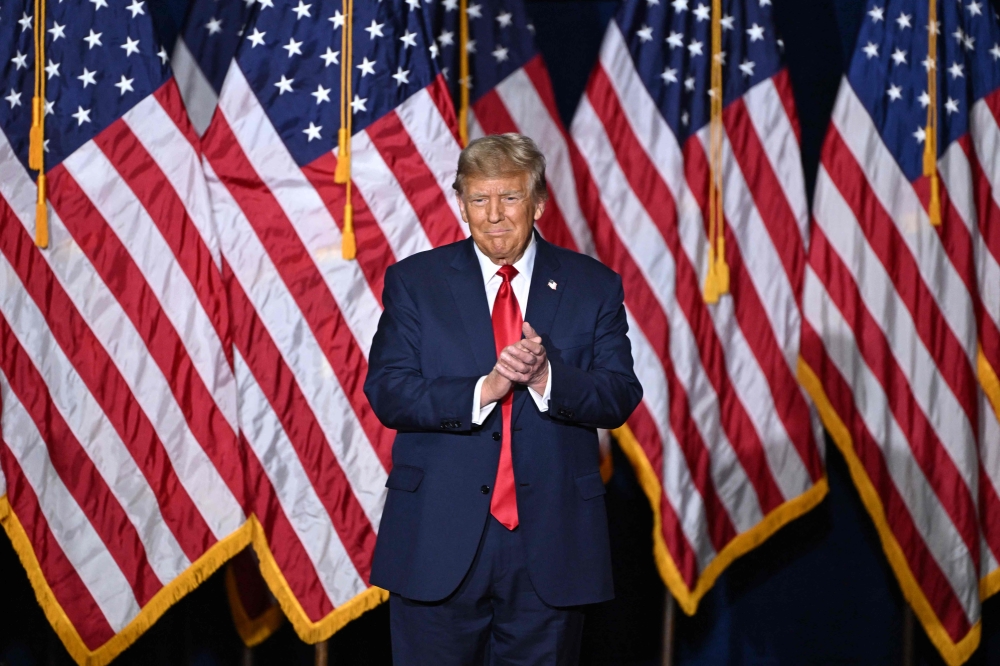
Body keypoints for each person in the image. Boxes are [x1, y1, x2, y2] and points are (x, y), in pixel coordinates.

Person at [364, 133, 643, 665]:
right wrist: (482, 391)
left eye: (509, 198)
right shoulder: (415, 283)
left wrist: (546, 380)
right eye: (478, 199)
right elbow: (388, 392)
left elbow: (619, 394)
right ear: (462, 204)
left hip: (551, 546)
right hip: (438, 541)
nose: (494, 215)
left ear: (537, 203)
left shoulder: (592, 285)